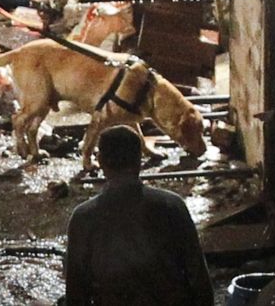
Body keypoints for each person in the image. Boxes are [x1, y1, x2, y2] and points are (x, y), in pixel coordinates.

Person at [65, 125, 213, 305]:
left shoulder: (83, 217)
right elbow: (198, 276)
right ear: (140, 160)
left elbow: (76, 292)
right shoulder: (172, 206)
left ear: (101, 161)